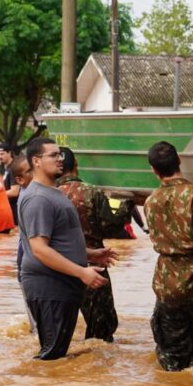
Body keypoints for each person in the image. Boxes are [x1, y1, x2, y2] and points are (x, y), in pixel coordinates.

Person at [17, 137, 114, 360]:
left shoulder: (54, 192)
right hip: (50, 286)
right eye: (53, 155)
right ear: (37, 161)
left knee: (57, 354)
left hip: (61, 285)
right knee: (51, 357)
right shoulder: (38, 198)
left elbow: (57, 241)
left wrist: (90, 254)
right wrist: (82, 272)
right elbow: (40, 249)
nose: (60, 159)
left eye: (59, 154)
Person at [144, 141, 193, 371]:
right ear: (180, 161)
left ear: (153, 170)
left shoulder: (150, 201)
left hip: (167, 285)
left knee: (171, 357)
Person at [56, 146, 130, 342]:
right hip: (93, 265)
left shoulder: (49, 195)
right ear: (76, 165)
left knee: (60, 332)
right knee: (101, 331)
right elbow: (111, 229)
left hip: (57, 267)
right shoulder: (92, 193)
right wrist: (125, 205)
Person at [11, 154, 37, 333]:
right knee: (38, 325)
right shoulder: (30, 198)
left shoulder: (32, 194)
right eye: (30, 172)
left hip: (29, 265)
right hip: (29, 268)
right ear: (20, 179)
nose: (35, 174)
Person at [0, 142, 22, 226]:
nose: (0, 157)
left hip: (15, 207)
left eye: (2, 154)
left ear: (9, 153)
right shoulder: (7, 167)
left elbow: (15, 191)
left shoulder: (13, 168)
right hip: (9, 206)